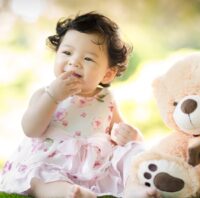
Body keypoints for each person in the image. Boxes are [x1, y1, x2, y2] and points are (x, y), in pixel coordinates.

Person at [0, 11, 145, 198]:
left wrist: (131, 135)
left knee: (131, 154)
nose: (74, 61)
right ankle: (70, 193)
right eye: (67, 52)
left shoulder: (106, 99)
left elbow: (119, 131)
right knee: (39, 179)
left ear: (108, 74)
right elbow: (31, 130)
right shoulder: (46, 94)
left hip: (93, 169)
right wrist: (53, 97)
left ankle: (135, 189)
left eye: (88, 59)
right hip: (51, 164)